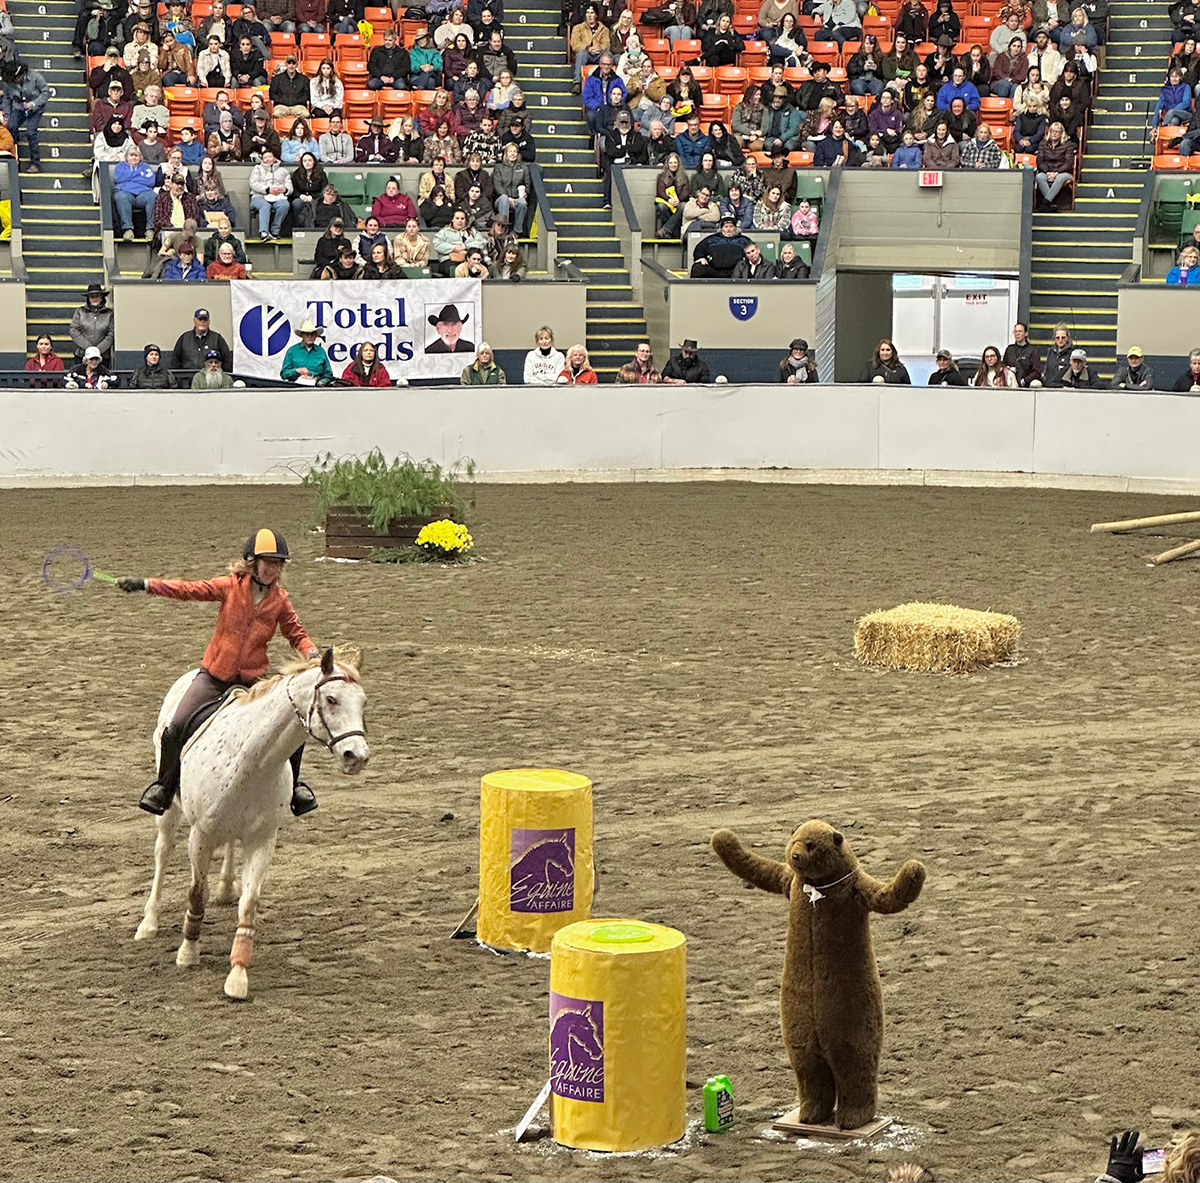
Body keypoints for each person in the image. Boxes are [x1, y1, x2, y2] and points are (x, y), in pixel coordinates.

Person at [116, 529, 321, 817]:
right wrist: (146, 584)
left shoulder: (281, 601)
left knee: (291, 725)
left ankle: (294, 789)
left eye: (278, 564)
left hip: (253, 680)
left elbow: (296, 634)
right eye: (268, 562)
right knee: (175, 726)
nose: (273, 569)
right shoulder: (229, 587)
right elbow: (187, 590)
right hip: (214, 676)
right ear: (252, 561)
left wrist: (311, 652)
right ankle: (163, 787)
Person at [4, 63, 50, 173]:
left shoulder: (36, 77)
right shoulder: (8, 82)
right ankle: (13, 156)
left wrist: (34, 104)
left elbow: (46, 92)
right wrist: (7, 115)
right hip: (18, 107)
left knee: (31, 132)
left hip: (35, 109)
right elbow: (6, 98)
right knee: (11, 126)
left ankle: (35, 163)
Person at [112, 145, 158, 241]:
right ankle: (127, 230)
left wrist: (128, 178)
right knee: (121, 197)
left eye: (136, 155)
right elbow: (118, 178)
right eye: (131, 155)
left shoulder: (145, 167)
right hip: (125, 193)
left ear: (140, 157)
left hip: (142, 194)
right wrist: (138, 176)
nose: (134, 158)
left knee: (152, 196)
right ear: (126, 157)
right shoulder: (120, 166)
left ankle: (150, 230)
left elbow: (150, 181)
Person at [250, 148, 292, 241]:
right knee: (265, 205)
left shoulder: (283, 171)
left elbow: (289, 186)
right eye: (265, 157)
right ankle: (264, 232)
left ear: (274, 158)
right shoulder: (257, 169)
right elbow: (253, 183)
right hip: (259, 196)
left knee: (284, 205)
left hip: (278, 197)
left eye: (270, 157)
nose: (268, 159)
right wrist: (267, 190)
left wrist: (284, 190)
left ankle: (275, 231)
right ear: (262, 160)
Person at [70, 283, 115, 365]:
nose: (94, 299)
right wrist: (90, 349)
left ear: (102, 298)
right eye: (92, 296)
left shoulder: (109, 314)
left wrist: (97, 351)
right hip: (82, 355)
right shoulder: (80, 312)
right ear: (88, 299)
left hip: (103, 357)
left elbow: (111, 334)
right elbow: (74, 331)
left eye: (97, 296)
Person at [368, 26, 410, 91]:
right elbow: (371, 65)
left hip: (396, 78)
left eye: (390, 40)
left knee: (401, 86)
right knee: (372, 84)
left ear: (395, 40)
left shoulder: (403, 52)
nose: (387, 42)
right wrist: (381, 76)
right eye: (386, 40)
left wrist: (393, 77)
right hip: (380, 78)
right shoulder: (376, 51)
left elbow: (405, 68)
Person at [1042, 321, 1074, 385]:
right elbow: (1046, 372)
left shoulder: (1072, 353)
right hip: (1049, 386)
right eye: (1057, 338)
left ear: (1068, 338)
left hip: (1064, 388)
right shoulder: (1050, 352)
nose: (1060, 340)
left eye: (1063, 337)